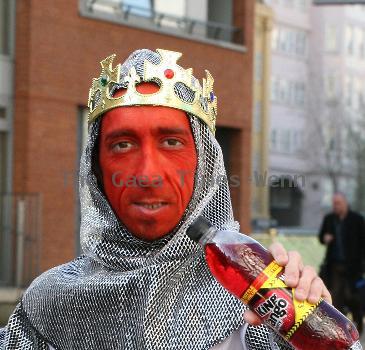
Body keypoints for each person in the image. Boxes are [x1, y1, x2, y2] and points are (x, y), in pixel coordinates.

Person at [0, 49, 330, 350]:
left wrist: (317, 333)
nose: (147, 174)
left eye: (171, 142)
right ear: (96, 168)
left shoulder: (258, 302)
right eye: (122, 145)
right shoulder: (49, 308)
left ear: (204, 164)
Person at [319, 192, 365, 335]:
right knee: (335, 298)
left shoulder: (357, 219)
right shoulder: (329, 219)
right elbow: (321, 236)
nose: (335, 206)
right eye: (333, 203)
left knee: (353, 297)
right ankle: (339, 329)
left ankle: (358, 323)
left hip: (353, 267)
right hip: (334, 266)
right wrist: (325, 238)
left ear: (345, 203)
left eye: (338, 203)